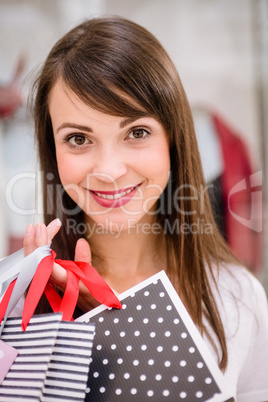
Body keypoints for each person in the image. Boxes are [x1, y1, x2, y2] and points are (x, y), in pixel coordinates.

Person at [22, 16, 268, 400]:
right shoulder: (17, 306)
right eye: (78, 138)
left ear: (172, 138)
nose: (109, 171)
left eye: (136, 133)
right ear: (52, 153)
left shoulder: (238, 298)